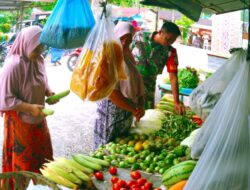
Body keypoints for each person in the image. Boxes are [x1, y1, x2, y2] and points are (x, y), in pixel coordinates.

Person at [0, 26, 56, 173]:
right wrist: (30, 108)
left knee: (44, 162)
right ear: (26, 44)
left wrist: (48, 91)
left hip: (38, 119)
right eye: (36, 47)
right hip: (20, 122)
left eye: (42, 46)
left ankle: (40, 187)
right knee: (24, 164)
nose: (40, 51)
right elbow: (5, 99)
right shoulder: (13, 66)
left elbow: (41, 79)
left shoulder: (39, 59)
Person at [94, 22, 145, 149]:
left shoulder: (128, 55)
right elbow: (111, 93)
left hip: (126, 111)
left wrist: (140, 104)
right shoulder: (109, 56)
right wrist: (134, 109)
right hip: (111, 112)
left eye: (128, 40)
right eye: (122, 38)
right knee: (106, 148)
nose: (124, 43)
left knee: (120, 147)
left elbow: (138, 82)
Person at [132, 21, 185, 114]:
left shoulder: (170, 52)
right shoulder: (139, 36)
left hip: (147, 90)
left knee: (145, 117)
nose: (169, 43)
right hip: (129, 83)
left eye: (172, 41)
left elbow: (173, 77)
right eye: (167, 39)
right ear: (160, 32)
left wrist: (176, 101)